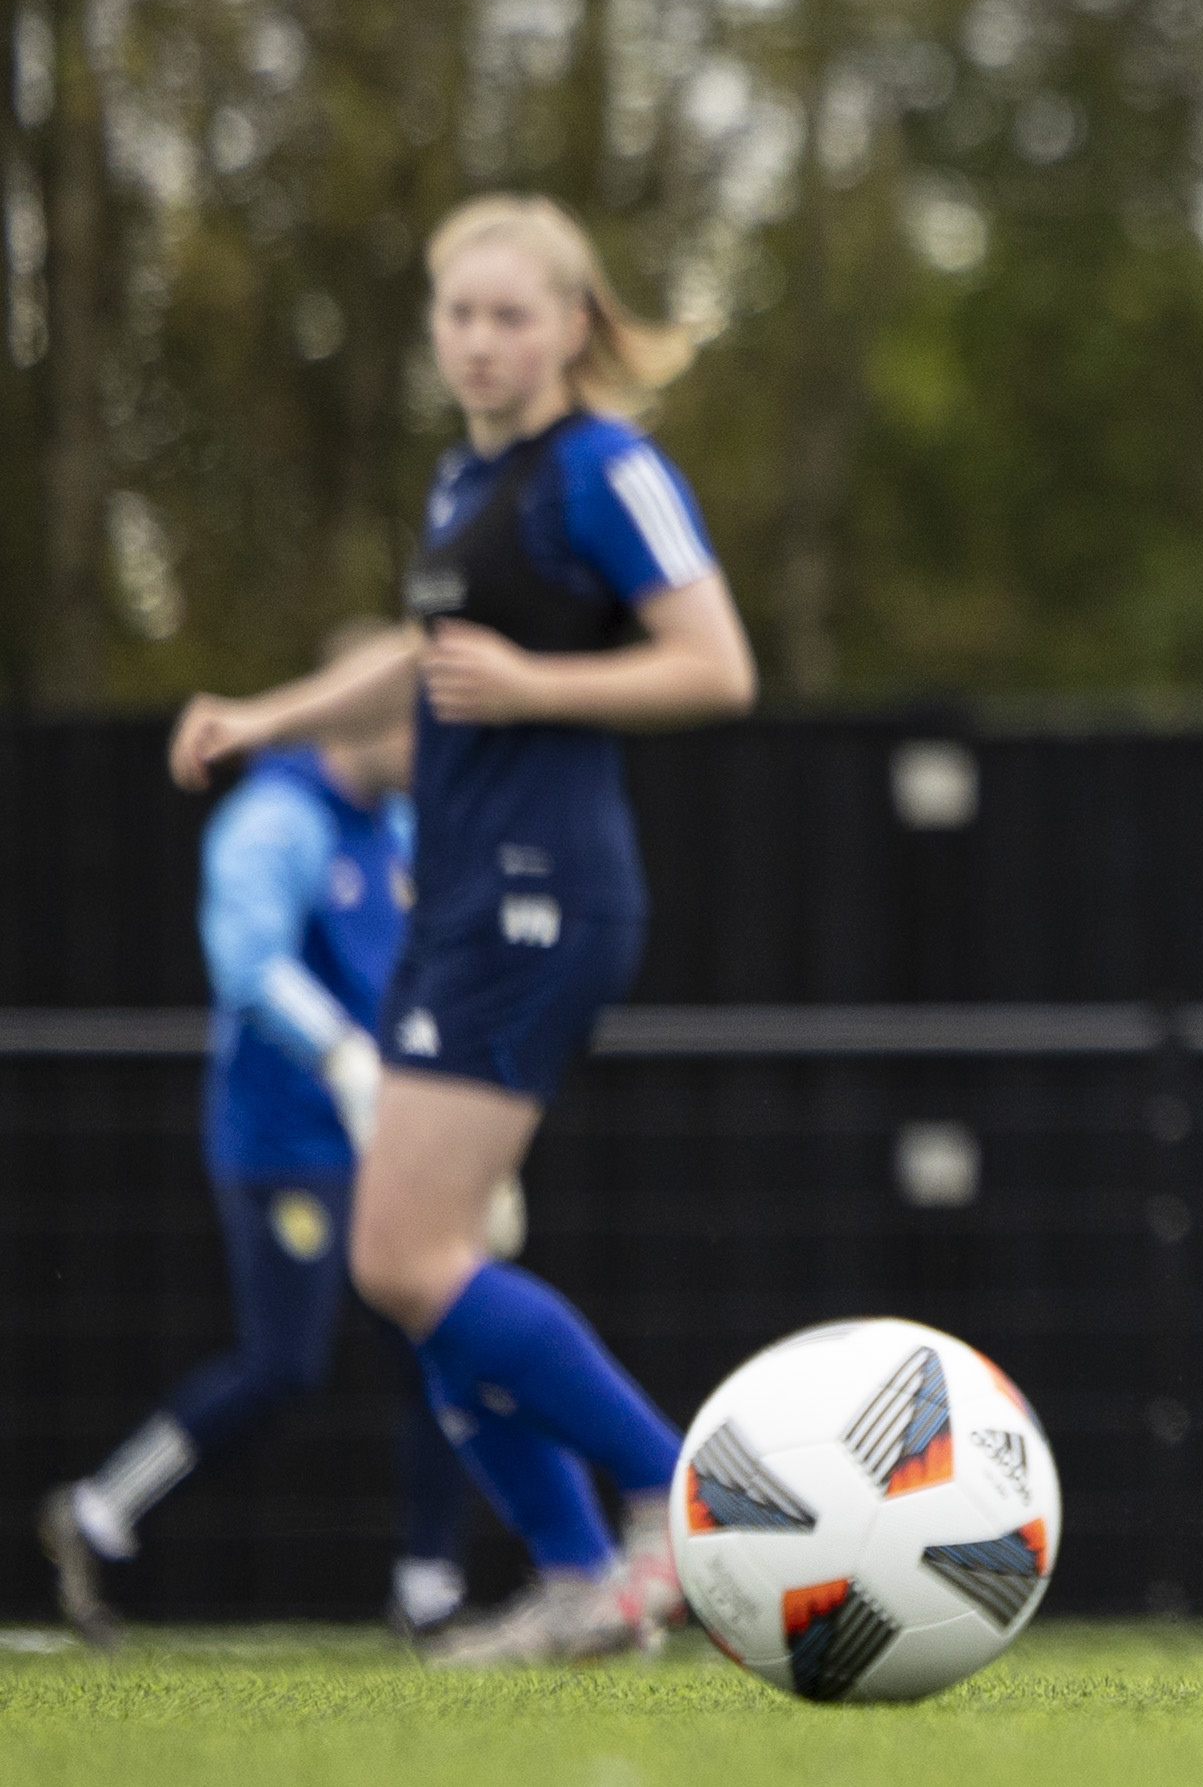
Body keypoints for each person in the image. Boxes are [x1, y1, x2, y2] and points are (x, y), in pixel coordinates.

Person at [168, 193, 760, 1665]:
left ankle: (679, 1501)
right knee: (413, 1265)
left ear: (572, 325)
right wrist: (264, 718)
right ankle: (577, 1574)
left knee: (407, 1256)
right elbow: (423, 659)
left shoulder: (605, 469)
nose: (481, 340)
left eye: (511, 314)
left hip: (540, 897)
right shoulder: (462, 481)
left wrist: (542, 686)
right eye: (459, 313)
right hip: (461, 901)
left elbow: (718, 666)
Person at [38, 626, 477, 1646]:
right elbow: (249, 967)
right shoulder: (274, 820)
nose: (437, 742)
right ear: (367, 716)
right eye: (420, 720)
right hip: (284, 1139)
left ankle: (431, 1589)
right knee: (283, 1364)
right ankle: (99, 1510)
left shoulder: (401, 823)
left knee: (443, 1345)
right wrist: (344, 1058)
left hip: (389, 1138)